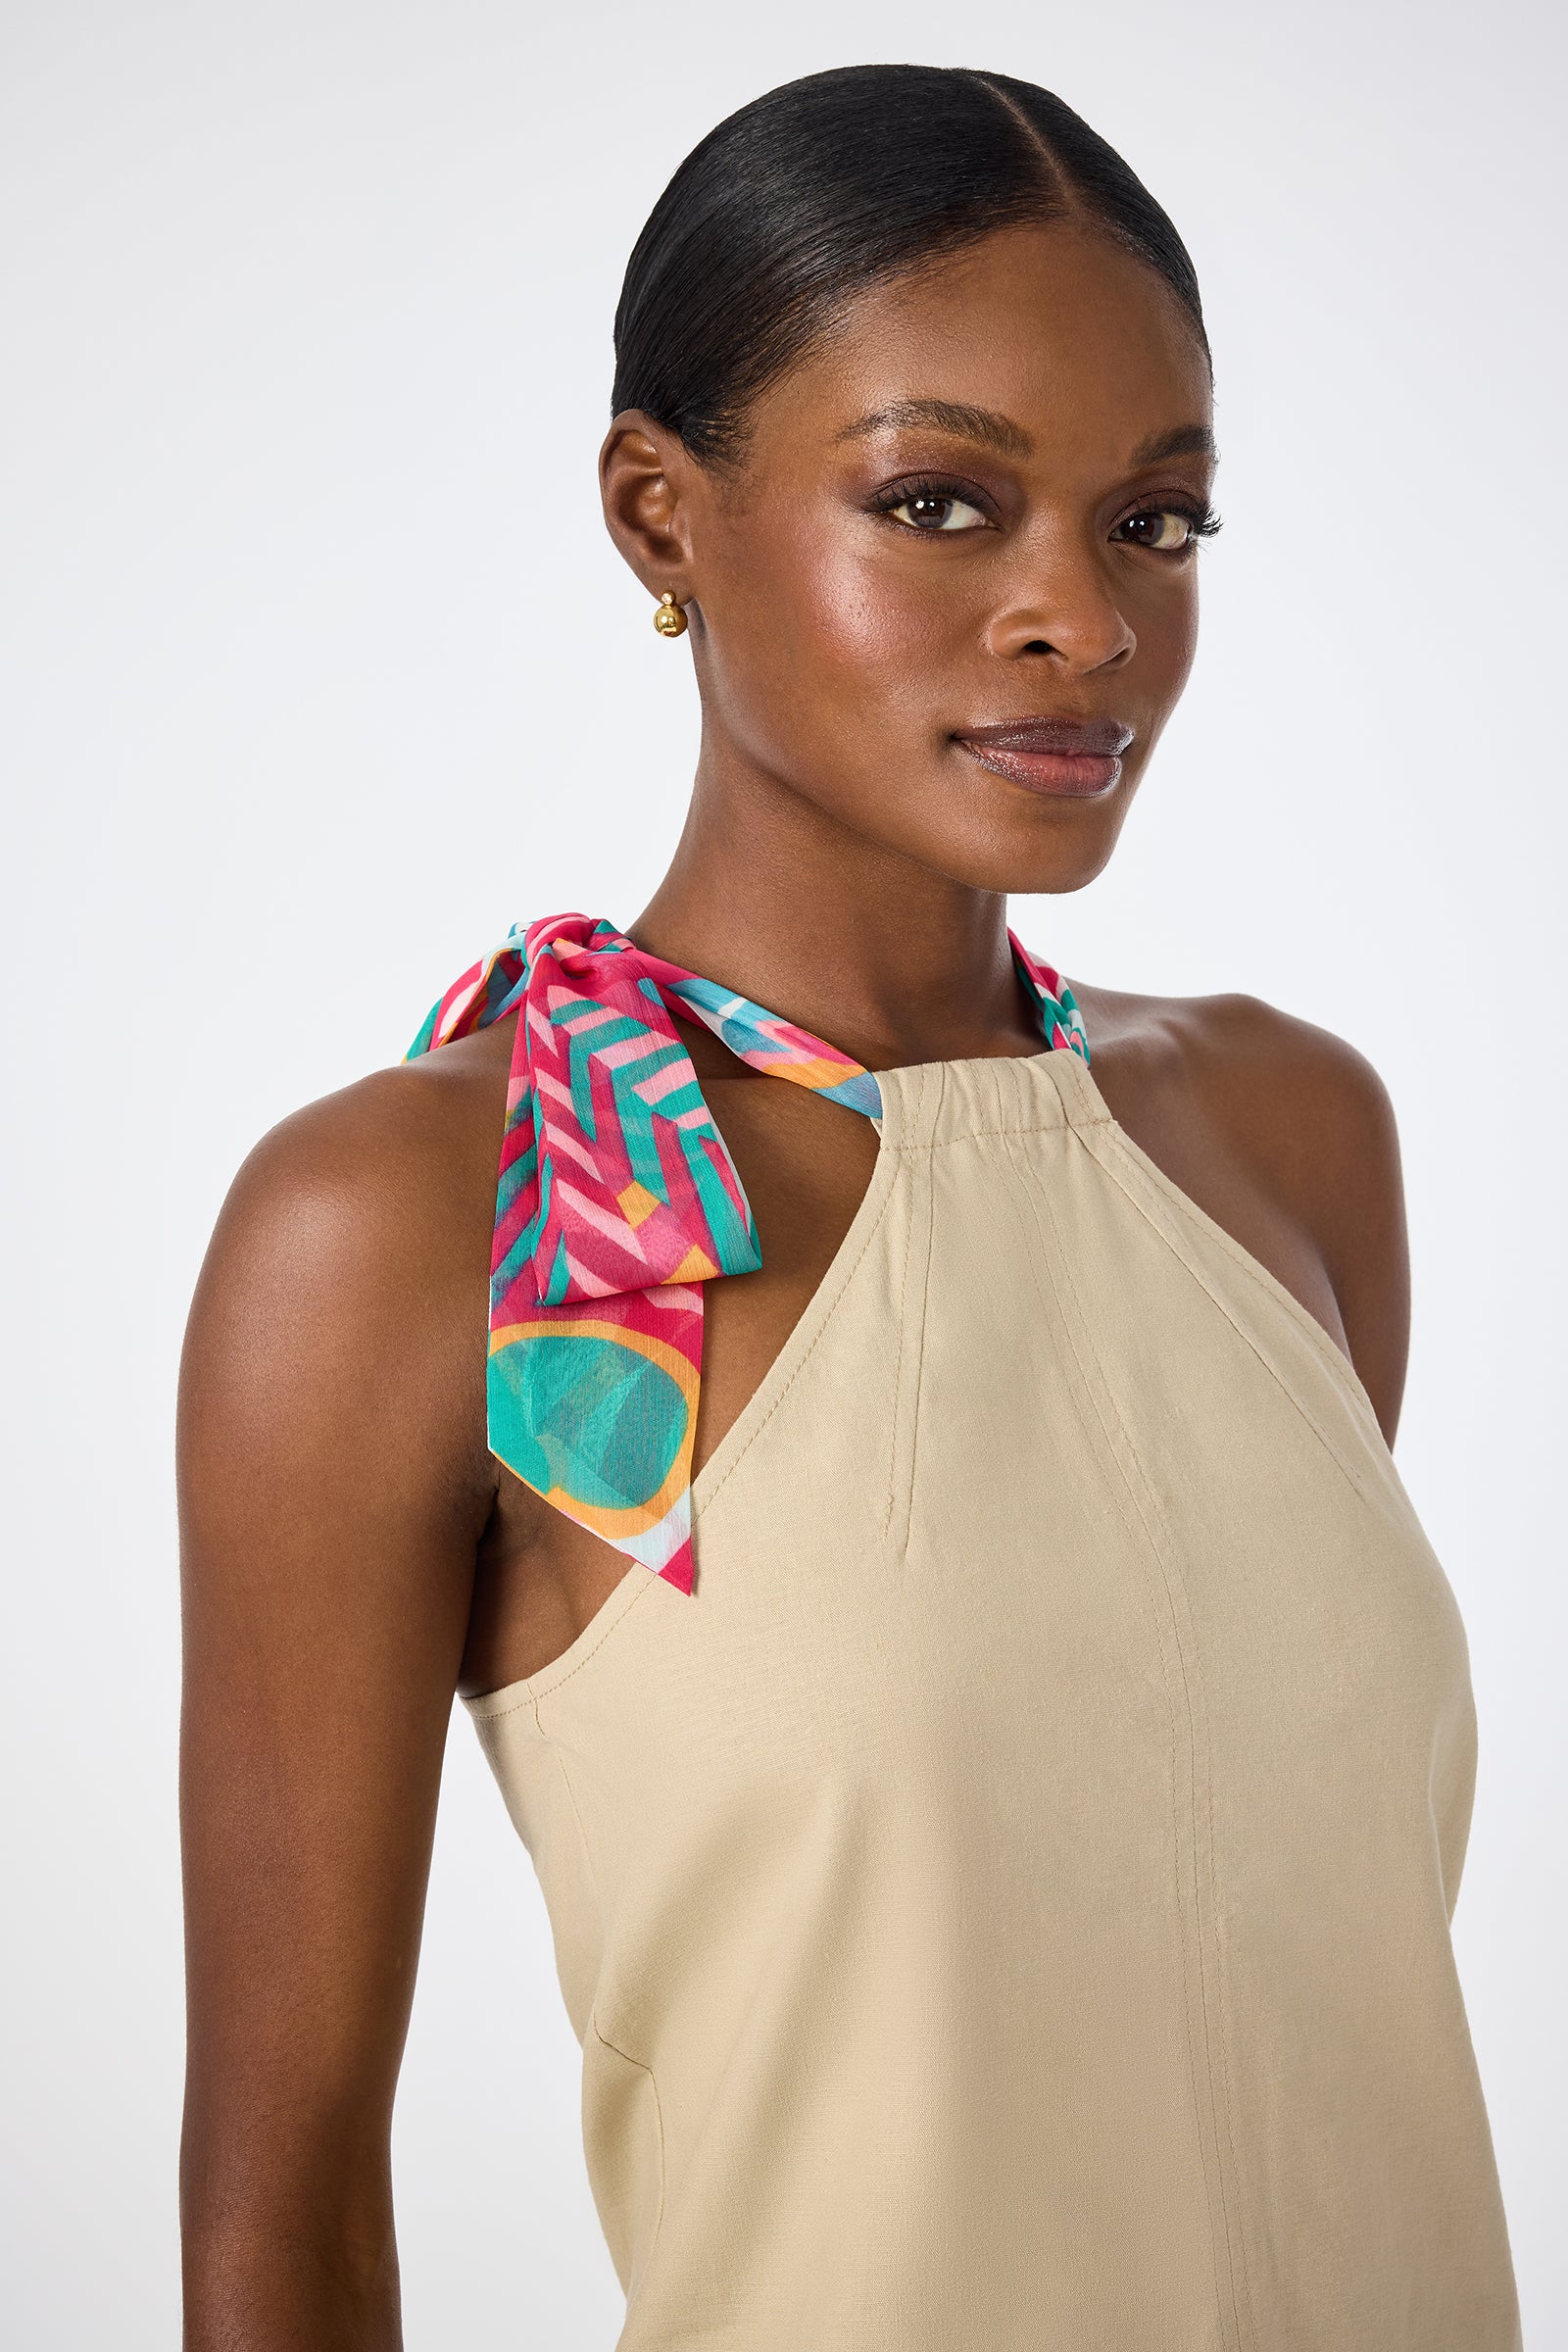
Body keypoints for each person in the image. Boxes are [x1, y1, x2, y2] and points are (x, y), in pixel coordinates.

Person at [176, 63, 1521, 2351]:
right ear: (653, 516)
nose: (1078, 622)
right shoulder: (418, 1222)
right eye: (935, 501)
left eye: (1153, 523)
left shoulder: (1285, 1135)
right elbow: (283, 2217)